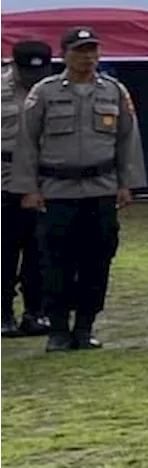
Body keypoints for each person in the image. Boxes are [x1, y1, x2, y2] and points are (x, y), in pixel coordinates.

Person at [11, 26, 148, 351]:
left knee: (97, 262)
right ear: (64, 55)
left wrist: (126, 183)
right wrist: (28, 188)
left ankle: (85, 326)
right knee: (55, 263)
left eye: (92, 50)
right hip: (57, 192)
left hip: (100, 190)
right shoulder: (44, 93)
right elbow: (27, 142)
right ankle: (58, 328)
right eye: (80, 51)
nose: (87, 57)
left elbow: (129, 140)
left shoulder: (114, 91)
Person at [0, 40, 54, 338]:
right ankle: (3, 314)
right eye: (27, 72)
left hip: (41, 181)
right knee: (3, 255)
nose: (33, 78)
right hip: (3, 179)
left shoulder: (53, 89)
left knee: (39, 253)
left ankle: (36, 312)